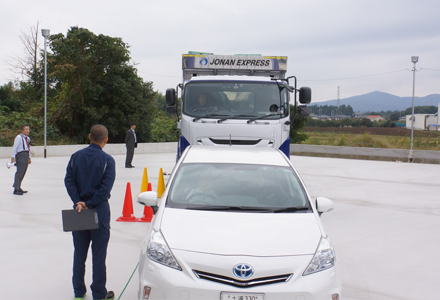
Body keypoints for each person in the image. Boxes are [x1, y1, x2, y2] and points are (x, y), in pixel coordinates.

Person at [64, 125, 116, 300]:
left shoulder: (75, 157)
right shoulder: (108, 161)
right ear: (105, 140)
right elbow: (105, 189)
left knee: (79, 253)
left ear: (89, 137)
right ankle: (99, 293)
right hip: (98, 212)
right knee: (99, 255)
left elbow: (69, 180)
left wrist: (78, 201)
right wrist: (90, 203)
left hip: (78, 212)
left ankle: (79, 291)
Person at [11, 124, 32, 195]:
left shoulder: (27, 138)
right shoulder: (19, 137)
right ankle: (16, 189)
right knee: (19, 172)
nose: (27, 131)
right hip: (20, 155)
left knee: (23, 171)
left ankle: (19, 186)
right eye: (26, 129)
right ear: (22, 130)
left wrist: (29, 157)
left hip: (26, 154)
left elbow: (28, 148)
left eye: (28, 129)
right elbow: (15, 147)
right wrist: (13, 156)